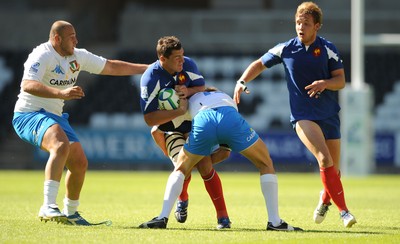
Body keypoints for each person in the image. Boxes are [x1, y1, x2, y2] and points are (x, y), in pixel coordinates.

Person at [12, 20, 148, 225]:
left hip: (54, 116)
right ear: (57, 39)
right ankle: (48, 206)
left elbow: (110, 66)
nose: (76, 40)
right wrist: (61, 93)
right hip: (29, 114)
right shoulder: (42, 54)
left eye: (76, 35)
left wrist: (148, 68)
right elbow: (27, 84)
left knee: (79, 163)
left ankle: (72, 213)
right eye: (71, 37)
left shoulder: (78, 56)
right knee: (59, 144)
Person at [233, 2, 357, 228]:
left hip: (329, 115)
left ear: (317, 26)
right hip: (303, 116)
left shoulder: (328, 48)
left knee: (333, 172)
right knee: (324, 159)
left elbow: (340, 81)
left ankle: (325, 198)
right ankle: (344, 212)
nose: (301, 27)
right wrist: (242, 81)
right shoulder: (286, 48)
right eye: (298, 23)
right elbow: (260, 64)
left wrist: (324, 83)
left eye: (306, 23)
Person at [139, 88, 302, 231]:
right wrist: (204, 161)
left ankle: (162, 217)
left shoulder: (187, 102)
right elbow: (224, 153)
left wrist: (189, 161)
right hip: (229, 116)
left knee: (180, 169)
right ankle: (274, 221)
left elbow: (155, 130)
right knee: (265, 163)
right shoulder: (223, 96)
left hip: (203, 119)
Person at [139, 36, 231, 229]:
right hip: (169, 129)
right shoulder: (150, 78)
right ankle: (183, 196)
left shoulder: (188, 64)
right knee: (183, 165)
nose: (182, 60)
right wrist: (178, 111)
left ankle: (223, 217)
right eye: (177, 57)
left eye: (182, 55)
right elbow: (149, 119)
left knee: (205, 164)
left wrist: (187, 92)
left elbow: (201, 87)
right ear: (163, 59)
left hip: (192, 123)